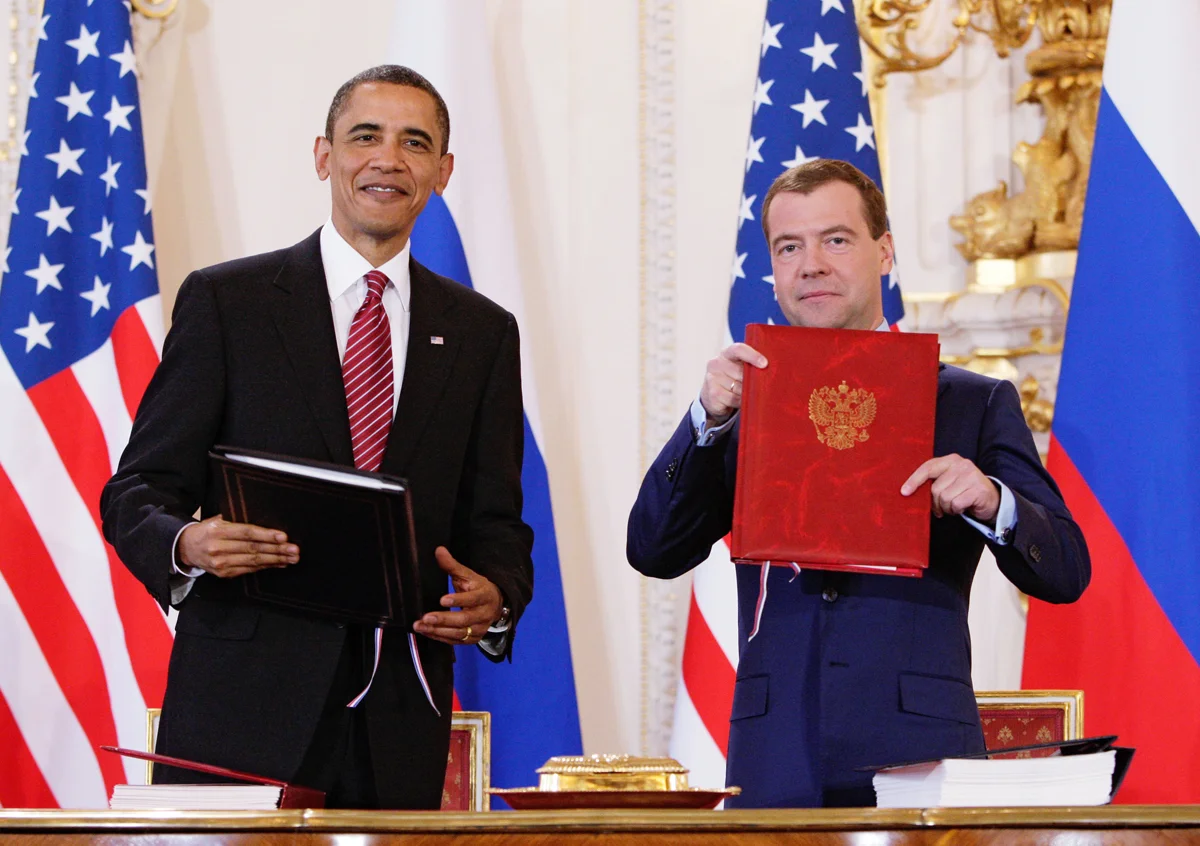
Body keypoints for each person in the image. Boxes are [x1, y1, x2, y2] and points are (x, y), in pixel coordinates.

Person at [101, 65, 533, 810]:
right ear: (323, 156)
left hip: (398, 719)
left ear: (442, 171)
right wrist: (187, 543)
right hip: (238, 709)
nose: (387, 159)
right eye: (365, 136)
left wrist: (495, 598)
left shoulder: (483, 333)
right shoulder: (228, 302)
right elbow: (137, 491)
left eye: (414, 143)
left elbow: (495, 523)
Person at [626, 158, 1090, 808]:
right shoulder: (742, 404)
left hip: (919, 753)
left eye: (836, 239)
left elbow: (1066, 570)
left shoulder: (971, 402)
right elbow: (653, 549)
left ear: (885, 252)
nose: (811, 264)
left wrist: (992, 500)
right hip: (773, 754)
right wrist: (707, 420)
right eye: (789, 247)